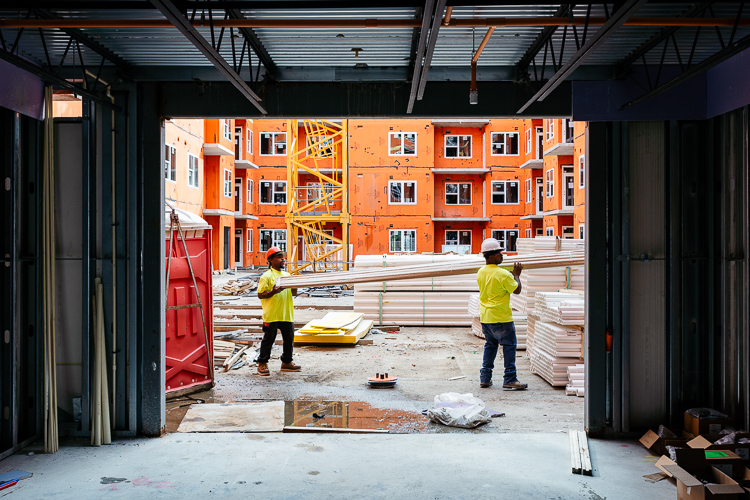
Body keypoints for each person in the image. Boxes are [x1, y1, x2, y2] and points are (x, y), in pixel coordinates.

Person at [476, 237, 528, 390]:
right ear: (491, 256)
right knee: (509, 346)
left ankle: (485, 378)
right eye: (499, 253)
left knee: (490, 346)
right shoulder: (503, 274)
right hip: (502, 317)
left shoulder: (481, 272)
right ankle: (510, 379)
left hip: (486, 317)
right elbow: (517, 290)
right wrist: (517, 275)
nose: (502, 255)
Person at [256, 246, 301, 376]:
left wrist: (296, 285)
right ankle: (262, 363)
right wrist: (274, 291)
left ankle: (286, 362)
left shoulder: (287, 275)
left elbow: (293, 293)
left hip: (286, 313)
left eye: (283, 257)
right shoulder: (267, 276)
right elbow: (260, 294)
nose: (283, 259)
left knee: (289, 339)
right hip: (272, 314)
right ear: (270, 260)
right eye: (279, 257)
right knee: (268, 340)